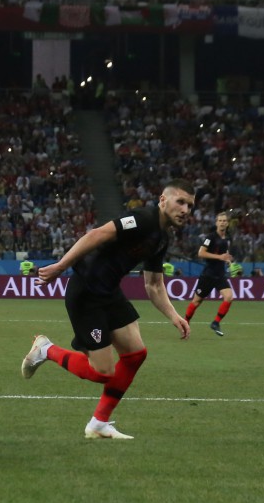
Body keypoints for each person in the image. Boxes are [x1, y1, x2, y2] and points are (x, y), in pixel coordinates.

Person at [20, 179, 195, 440]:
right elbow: (97, 234)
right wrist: (61, 266)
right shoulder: (143, 219)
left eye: (190, 206)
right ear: (162, 200)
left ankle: (99, 424)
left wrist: (174, 316)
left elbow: (154, 284)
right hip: (87, 292)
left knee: (135, 355)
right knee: (102, 372)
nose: (185, 210)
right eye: (180, 202)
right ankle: (46, 350)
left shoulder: (161, 239)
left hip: (110, 293)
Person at [183, 211, 234, 337]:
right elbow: (201, 253)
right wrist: (219, 257)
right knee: (196, 302)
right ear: (216, 223)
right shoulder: (210, 237)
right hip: (208, 275)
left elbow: (224, 253)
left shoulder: (227, 238)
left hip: (220, 275)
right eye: (220, 220)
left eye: (224, 221)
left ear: (227, 223)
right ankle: (185, 323)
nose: (222, 223)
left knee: (229, 297)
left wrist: (227, 259)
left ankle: (215, 323)